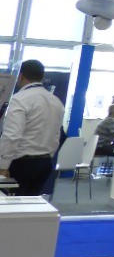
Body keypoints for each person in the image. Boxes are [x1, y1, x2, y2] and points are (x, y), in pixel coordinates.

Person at [0, 60, 66, 196]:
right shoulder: (56, 101)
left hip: (22, 164)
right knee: (30, 202)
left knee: (12, 202)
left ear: (21, 76)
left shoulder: (19, 99)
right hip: (45, 163)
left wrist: (3, 166)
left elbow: (12, 136)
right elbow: (57, 135)